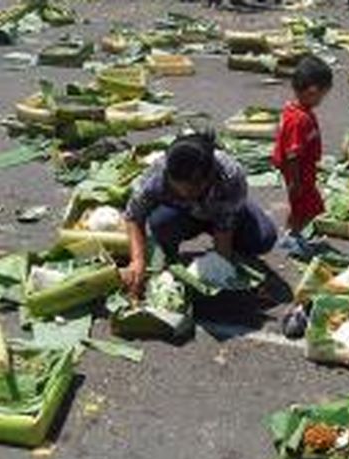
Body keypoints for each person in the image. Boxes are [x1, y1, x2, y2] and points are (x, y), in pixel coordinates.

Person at [122, 132, 277, 297]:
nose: (185, 192)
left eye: (193, 188)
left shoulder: (230, 175)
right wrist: (137, 261)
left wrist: (219, 268)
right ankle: (170, 259)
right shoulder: (156, 176)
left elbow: (224, 225)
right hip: (184, 213)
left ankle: (237, 256)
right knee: (160, 222)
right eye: (179, 188)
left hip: (224, 210)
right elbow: (133, 216)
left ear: (209, 176)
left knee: (263, 238)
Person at [272, 55, 333, 254]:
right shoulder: (299, 119)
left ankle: (291, 234)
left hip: (303, 170)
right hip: (299, 173)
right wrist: (295, 181)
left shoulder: (298, 110)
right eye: (323, 95)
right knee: (309, 206)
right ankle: (291, 237)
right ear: (312, 91)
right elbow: (292, 155)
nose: (322, 100)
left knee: (301, 206)